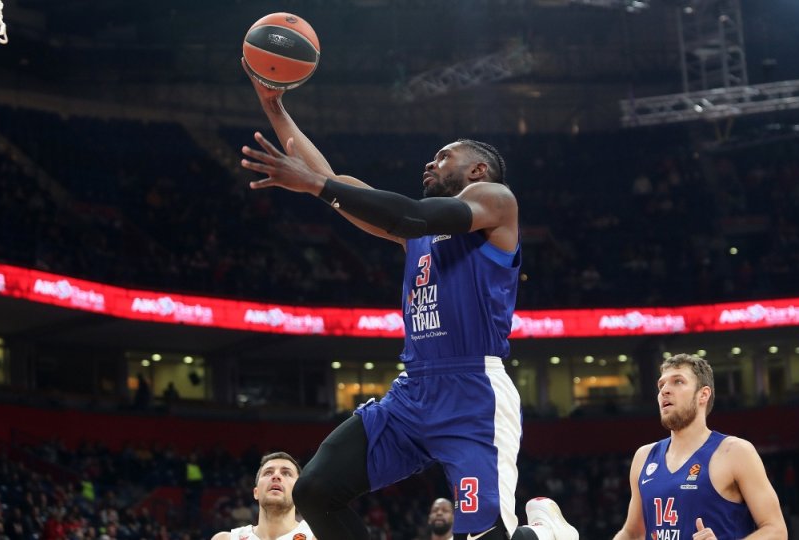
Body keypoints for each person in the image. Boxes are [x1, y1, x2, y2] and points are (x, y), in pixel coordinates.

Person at [239, 60, 577, 540]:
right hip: (412, 394)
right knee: (314, 491)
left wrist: (317, 186)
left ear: (477, 170)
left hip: (473, 394)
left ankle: (545, 532)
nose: (430, 163)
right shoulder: (415, 233)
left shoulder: (496, 200)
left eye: (443, 156)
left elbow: (405, 213)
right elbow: (332, 180)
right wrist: (275, 108)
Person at [612, 354, 788, 540]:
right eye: (661, 385)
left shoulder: (735, 452)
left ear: (703, 395)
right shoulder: (644, 456)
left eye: (678, 381)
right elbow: (633, 533)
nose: (665, 390)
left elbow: (776, 531)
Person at [210, 452, 313, 540]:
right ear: (256, 492)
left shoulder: (315, 537)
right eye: (268, 473)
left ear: (298, 493)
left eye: (286, 473)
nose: (276, 476)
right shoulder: (226, 538)